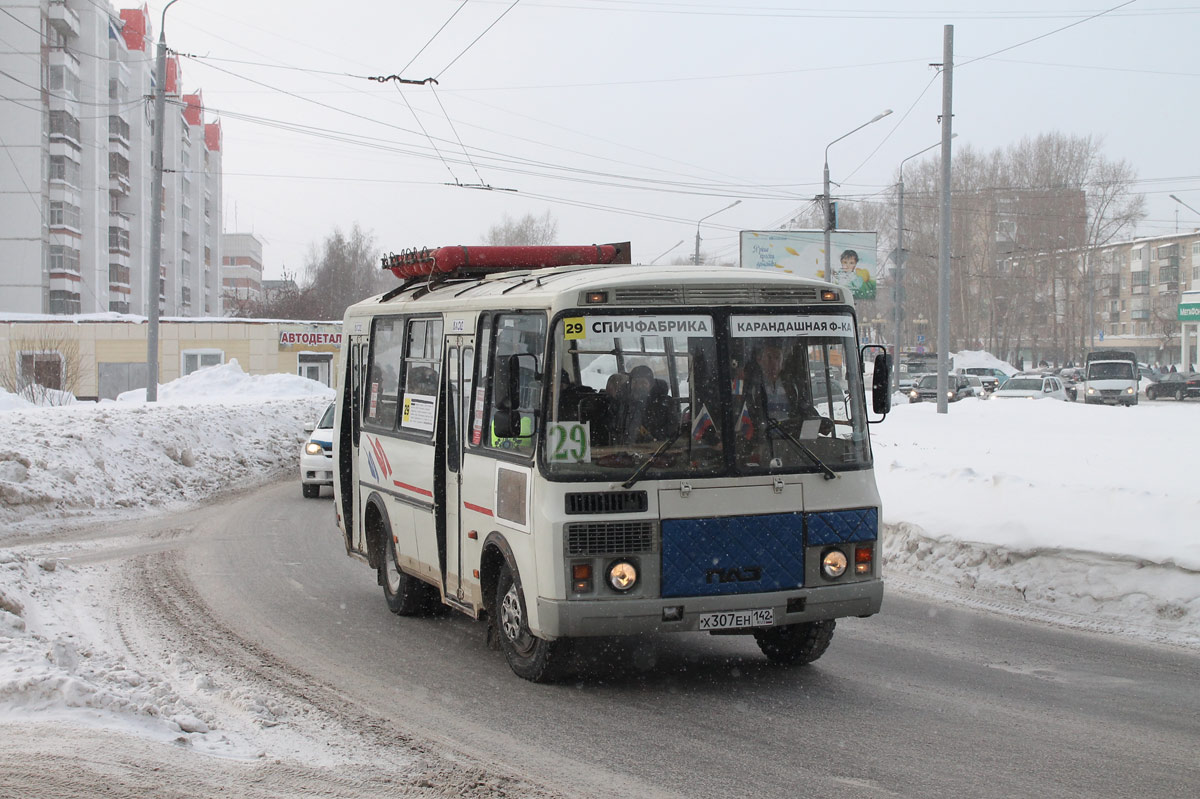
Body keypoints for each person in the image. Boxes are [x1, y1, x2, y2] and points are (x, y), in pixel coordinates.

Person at [623, 365, 677, 443]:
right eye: (635, 382)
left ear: (651, 385)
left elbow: (672, 430)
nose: (638, 386)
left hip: (657, 450)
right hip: (625, 450)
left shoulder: (665, 403)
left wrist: (650, 436)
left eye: (643, 382)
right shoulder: (624, 403)